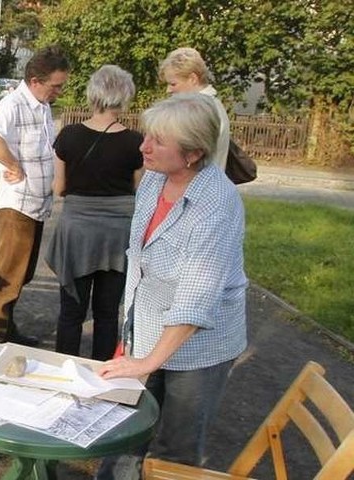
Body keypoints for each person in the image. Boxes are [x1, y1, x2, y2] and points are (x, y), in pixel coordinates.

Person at [96, 93, 248, 479]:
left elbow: (195, 301)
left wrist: (149, 362)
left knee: (173, 452)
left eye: (158, 141)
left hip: (198, 350)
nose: (143, 146)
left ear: (193, 153)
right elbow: (140, 260)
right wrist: (130, 338)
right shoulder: (153, 179)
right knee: (126, 430)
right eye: (147, 136)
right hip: (147, 331)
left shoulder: (216, 203)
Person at [45, 65, 143, 361]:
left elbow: (60, 187)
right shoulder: (136, 142)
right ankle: (102, 374)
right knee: (107, 313)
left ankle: (65, 368)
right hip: (117, 235)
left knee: (71, 312)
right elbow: (139, 192)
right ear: (125, 96)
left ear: (93, 94)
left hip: (78, 232)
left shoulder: (69, 135)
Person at [0, 45, 70, 348]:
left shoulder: (41, 105)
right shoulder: (14, 104)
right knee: (6, 277)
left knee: (21, 275)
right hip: (17, 206)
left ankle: (5, 331)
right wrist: (12, 164)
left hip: (35, 207)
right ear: (35, 81)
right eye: (56, 85)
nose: (59, 91)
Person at [158, 47, 231, 170]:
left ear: (192, 78)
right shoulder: (214, 104)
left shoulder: (199, 110)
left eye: (173, 84)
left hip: (196, 184)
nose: (168, 90)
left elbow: (182, 158)